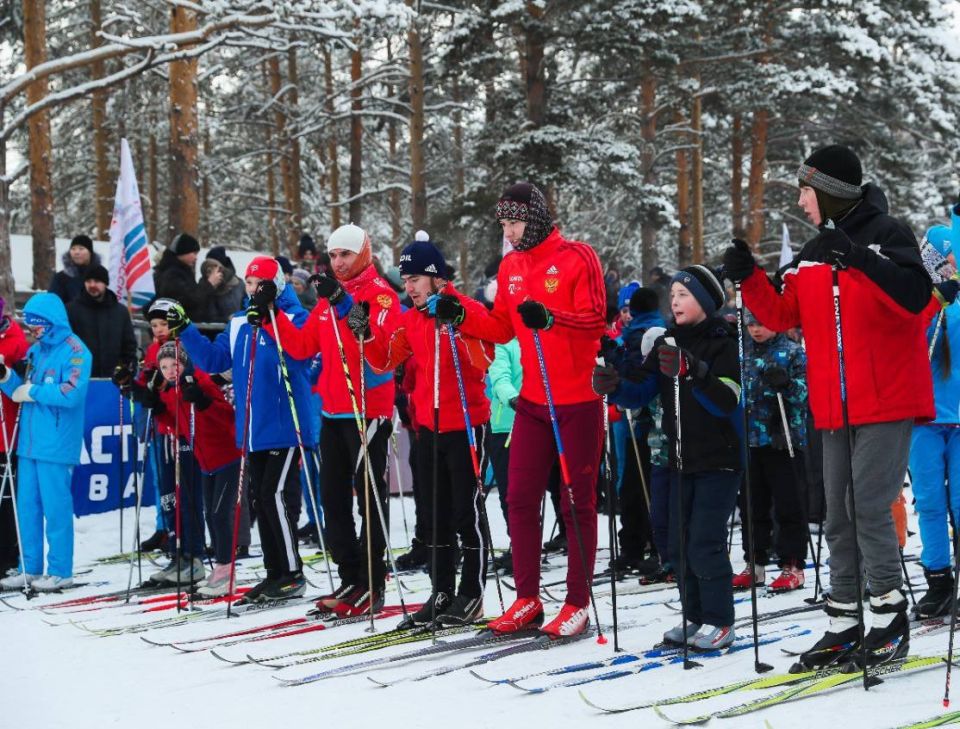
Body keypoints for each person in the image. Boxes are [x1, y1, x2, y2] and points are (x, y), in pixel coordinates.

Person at [723, 143, 935, 667]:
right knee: (835, 513)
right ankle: (844, 619)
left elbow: (916, 299)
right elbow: (779, 311)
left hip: (886, 398)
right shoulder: (814, 251)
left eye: (805, 191)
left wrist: (859, 259)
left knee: (866, 505)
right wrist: (748, 276)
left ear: (829, 192)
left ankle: (888, 616)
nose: (800, 201)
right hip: (835, 403)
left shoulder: (888, 236)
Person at [439, 182, 607, 638]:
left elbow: (596, 318)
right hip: (534, 401)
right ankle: (527, 597)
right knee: (518, 497)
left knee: (577, 503)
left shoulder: (577, 256)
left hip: (577, 400)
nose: (509, 233)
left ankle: (576, 602)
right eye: (504, 224)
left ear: (532, 218)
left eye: (514, 223)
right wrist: (462, 313)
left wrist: (552, 318)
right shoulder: (511, 265)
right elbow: (499, 326)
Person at [596, 265, 743, 651]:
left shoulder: (722, 342)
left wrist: (696, 371)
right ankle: (694, 616)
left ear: (706, 302)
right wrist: (614, 386)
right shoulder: (666, 341)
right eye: (673, 294)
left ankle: (719, 620)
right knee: (677, 544)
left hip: (718, 460)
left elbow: (727, 400)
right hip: (677, 460)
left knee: (705, 543)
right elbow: (641, 391)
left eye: (684, 294)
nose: (675, 301)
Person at [263, 224, 400, 617]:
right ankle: (350, 574)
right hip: (333, 412)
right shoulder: (325, 300)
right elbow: (303, 346)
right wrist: (274, 315)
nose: (338, 262)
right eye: (334, 255)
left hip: (366, 410)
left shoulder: (380, 295)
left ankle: (371, 583)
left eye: (345, 254)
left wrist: (343, 304)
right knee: (331, 500)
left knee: (369, 500)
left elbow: (378, 348)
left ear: (362, 254)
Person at [359, 234, 494, 627]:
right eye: (405, 280)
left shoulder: (463, 308)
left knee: (465, 511)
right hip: (427, 427)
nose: (409, 287)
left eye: (415, 278)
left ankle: (472, 593)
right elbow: (384, 360)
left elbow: (486, 356)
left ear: (435, 278)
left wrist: (459, 323)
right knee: (433, 515)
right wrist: (365, 333)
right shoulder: (412, 319)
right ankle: (443, 590)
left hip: (467, 424)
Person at [168, 256, 314, 604]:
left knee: (274, 497)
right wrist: (187, 328)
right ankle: (275, 572)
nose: (253, 291)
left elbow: (302, 358)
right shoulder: (238, 323)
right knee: (259, 501)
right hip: (252, 428)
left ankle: (292, 573)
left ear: (276, 285)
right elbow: (215, 361)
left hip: (285, 426)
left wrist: (271, 319)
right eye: (249, 284)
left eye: (260, 284)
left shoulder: (293, 317)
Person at [0, 293, 92, 592]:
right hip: (28, 443)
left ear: (51, 323)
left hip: (56, 443)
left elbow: (71, 392)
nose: (32, 331)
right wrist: (5, 376)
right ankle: (30, 566)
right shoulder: (36, 351)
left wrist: (34, 392)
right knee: (26, 507)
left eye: (36, 326)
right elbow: (19, 390)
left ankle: (60, 569)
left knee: (56, 508)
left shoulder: (76, 351)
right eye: (30, 326)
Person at [149, 341, 241, 595]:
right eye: (164, 366)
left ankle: (226, 571)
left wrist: (202, 401)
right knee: (211, 514)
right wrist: (158, 409)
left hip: (227, 457)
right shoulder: (171, 390)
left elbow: (225, 416)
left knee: (221, 514)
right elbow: (177, 424)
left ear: (185, 363)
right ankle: (221, 570)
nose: (169, 370)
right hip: (206, 462)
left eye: (174, 364)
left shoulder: (200, 381)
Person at [732, 308, 809, 592]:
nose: (756, 329)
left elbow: (804, 393)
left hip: (783, 438)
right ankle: (756, 560)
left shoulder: (792, 352)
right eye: (751, 324)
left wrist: (787, 384)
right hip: (751, 439)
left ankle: (793, 564)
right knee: (752, 504)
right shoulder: (743, 353)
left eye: (762, 323)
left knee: (789, 503)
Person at [908, 212, 960, 619]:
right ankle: (938, 580)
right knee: (928, 502)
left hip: (958, 420)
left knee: (959, 502)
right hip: (923, 419)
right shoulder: (919, 301)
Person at [611, 287, 665, 574]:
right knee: (638, 484)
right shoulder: (652, 328)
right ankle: (646, 546)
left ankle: (643, 546)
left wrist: (615, 360)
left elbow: (637, 373)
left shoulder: (645, 332)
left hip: (647, 419)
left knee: (639, 484)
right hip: (644, 419)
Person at [66, 264, 137, 378]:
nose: (92, 285)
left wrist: (128, 370)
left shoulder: (120, 312)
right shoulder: (71, 310)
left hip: (113, 379)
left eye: (97, 281)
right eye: (88, 281)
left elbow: (129, 346)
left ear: (105, 283)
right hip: (79, 378)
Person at [0, 297, 29, 574]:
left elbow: (19, 389)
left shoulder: (15, 341)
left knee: (7, 499)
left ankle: (9, 556)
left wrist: (7, 372)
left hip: (6, 432)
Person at [154, 233, 216, 322]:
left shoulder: (181, 270)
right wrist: (209, 284)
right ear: (183, 251)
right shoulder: (172, 274)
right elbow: (189, 299)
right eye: (194, 253)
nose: (196, 258)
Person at [49, 235, 101, 305]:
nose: (76, 252)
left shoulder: (100, 275)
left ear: (90, 252)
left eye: (81, 248)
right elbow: (52, 303)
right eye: (73, 249)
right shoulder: (61, 278)